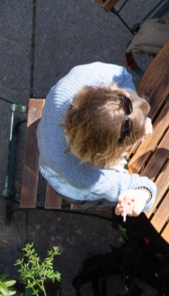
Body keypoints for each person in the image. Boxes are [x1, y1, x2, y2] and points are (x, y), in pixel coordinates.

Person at [37, 62, 157, 218]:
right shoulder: (84, 174)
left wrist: (138, 118)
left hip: (48, 137)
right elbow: (143, 189)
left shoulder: (70, 88)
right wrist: (140, 196)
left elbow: (121, 75)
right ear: (107, 154)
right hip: (65, 182)